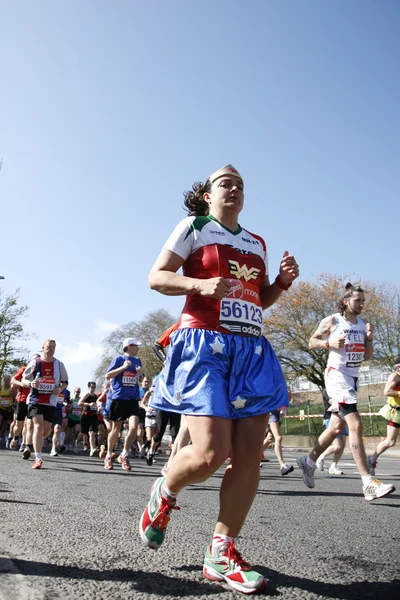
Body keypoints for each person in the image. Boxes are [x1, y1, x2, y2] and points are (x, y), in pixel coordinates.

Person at [138, 164, 299, 594]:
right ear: (207, 194)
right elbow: (157, 277)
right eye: (225, 183)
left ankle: (221, 553)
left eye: (240, 185)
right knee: (210, 454)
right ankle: (166, 488)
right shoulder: (193, 227)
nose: (234, 188)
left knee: (249, 458)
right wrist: (201, 285)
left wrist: (280, 283)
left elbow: (258, 299)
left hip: (250, 349)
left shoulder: (255, 242)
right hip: (203, 345)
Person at [297, 283, 395, 502]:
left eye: (363, 301)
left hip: (353, 378)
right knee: (355, 423)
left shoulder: (363, 324)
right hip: (336, 376)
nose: (361, 304)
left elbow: (368, 356)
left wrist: (369, 338)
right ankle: (368, 482)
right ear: (346, 302)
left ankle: (309, 460)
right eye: (357, 300)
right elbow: (311, 342)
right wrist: (328, 342)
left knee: (335, 427)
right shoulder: (333, 320)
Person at [21, 339, 68, 469]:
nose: (51, 349)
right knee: (38, 425)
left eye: (53, 347)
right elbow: (23, 379)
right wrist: (30, 384)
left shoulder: (59, 365)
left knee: (45, 431)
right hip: (35, 398)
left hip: (51, 401)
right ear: (43, 348)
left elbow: (65, 382)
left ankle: (36, 442)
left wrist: (60, 389)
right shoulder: (35, 362)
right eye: (49, 347)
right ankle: (38, 457)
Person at [104, 337, 143, 471]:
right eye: (135, 346)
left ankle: (124, 455)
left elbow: (141, 379)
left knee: (133, 428)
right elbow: (108, 376)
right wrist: (123, 367)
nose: (137, 348)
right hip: (119, 398)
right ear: (128, 346)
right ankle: (108, 456)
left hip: (133, 399)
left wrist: (141, 374)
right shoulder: (119, 359)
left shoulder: (138, 361)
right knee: (116, 429)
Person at [367, 356, 400, 475]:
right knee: (390, 441)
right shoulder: (395, 376)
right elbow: (387, 391)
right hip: (396, 412)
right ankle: (372, 459)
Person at [315, 389, 347, 475]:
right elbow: (333, 402)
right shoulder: (328, 389)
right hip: (331, 418)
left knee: (343, 444)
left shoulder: (340, 388)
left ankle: (334, 466)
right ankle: (320, 457)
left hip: (342, 417)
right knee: (337, 446)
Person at [261, 407, 294, 475]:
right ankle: (282, 465)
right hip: (271, 410)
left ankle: (253, 458)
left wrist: (283, 408)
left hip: (280, 412)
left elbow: (289, 398)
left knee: (269, 438)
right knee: (278, 437)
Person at [78, 382, 99, 456]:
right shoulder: (87, 395)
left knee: (92, 433)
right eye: (91, 387)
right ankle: (77, 441)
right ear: (88, 387)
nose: (93, 388)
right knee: (83, 433)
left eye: (94, 387)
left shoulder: (96, 397)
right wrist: (88, 404)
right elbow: (79, 403)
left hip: (93, 416)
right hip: (85, 416)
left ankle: (92, 449)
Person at [0, 374, 16, 445]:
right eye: (6, 379)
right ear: (4, 380)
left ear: (10, 381)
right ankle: (1, 437)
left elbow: (16, 397)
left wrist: (12, 394)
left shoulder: (12, 388)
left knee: (6, 424)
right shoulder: (1, 387)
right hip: (1, 407)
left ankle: (4, 437)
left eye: (8, 380)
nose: (7, 381)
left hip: (9, 408)